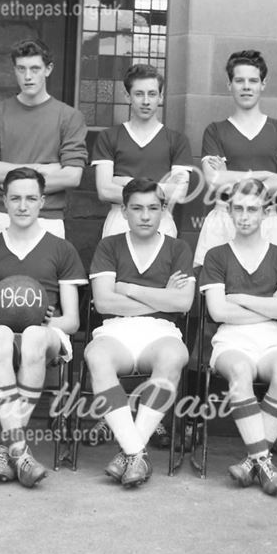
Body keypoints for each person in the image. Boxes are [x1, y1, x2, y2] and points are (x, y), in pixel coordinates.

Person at [0, 167, 86, 487]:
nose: (23, 205)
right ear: (3, 202)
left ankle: (9, 449)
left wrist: (46, 321)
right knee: (2, 335)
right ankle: (18, 450)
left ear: (42, 202)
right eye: (15, 198)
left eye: (31, 198)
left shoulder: (61, 248)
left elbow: (71, 321)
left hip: (45, 336)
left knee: (32, 335)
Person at [84, 178, 194, 487]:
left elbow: (182, 303)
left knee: (174, 355)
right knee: (97, 356)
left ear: (163, 210)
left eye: (152, 208)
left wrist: (128, 289)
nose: (145, 216)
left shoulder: (178, 248)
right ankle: (136, 453)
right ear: (123, 211)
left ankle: (129, 453)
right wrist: (161, 296)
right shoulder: (109, 246)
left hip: (161, 331)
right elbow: (105, 303)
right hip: (116, 329)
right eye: (137, 208)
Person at [198, 179, 277, 496]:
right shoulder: (217, 256)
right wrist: (270, 306)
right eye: (238, 209)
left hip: (271, 337)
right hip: (231, 339)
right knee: (240, 371)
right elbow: (217, 312)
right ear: (229, 211)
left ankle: (253, 461)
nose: (244, 216)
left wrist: (239, 297)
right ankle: (265, 463)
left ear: (266, 211)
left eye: (252, 209)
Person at [194, 49, 277, 268]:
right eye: (239, 80)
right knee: (215, 290)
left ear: (263, 84)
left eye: (253, 80)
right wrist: (264, 175)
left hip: (267, 218)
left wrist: (230, 176)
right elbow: (214, 180)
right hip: (224, 218)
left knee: (274, 289)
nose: (246, 86)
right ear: (229, 84)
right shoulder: (215, 130)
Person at [0, 39, 87, 239]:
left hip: (48, 216)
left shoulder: (69, 116)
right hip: (1, 215)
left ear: (48, 69)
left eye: (35, 69)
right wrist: (43, 169)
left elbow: (72, 176)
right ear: (14, 70)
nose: (28, 76)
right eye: (21, 69)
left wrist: (7, 176)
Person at [92, 64, 192, 238]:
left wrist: (128, 182)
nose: (146, 101)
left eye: (152, 94)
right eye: (139, 94)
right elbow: (104, 190)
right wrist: (160, 190)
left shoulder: (177, 140)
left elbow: (179, 192)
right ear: (127, 96)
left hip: (161, 220)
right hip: (120, 220)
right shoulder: (109, 137)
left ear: (160, 97)